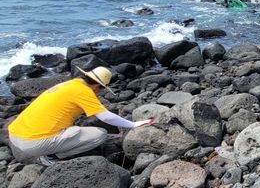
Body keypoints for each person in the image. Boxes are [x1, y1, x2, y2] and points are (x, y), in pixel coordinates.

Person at [7, 66, 152, 166]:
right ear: (97, 86)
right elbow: (106, 117)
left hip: (15, 134)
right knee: (99, 134)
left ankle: (50, 149)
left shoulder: (71, 84)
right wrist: (133, 124)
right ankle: (51, 157)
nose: (99, 93)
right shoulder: (84, 91)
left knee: (73, 129)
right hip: (32, 143)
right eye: (101, 90)